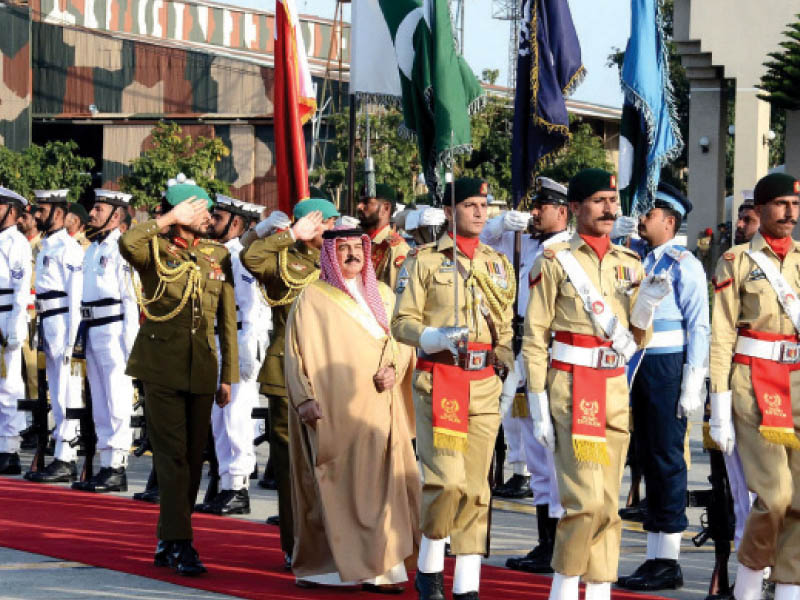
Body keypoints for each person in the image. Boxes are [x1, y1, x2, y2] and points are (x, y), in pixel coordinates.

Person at [522, 168, 669, 600]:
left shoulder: (630, 263)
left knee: (607, 505)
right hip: (570, 386)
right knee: (583, 502)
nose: (610, 208)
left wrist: (646, 308)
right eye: (599, 200)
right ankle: (565, 588)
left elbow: (639, 338)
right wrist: (536, 403)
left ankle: (599, 590)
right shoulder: (553, 261)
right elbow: (534, 337)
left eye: (613, 200)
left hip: (613, 390)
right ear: (574, 208)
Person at [392, 178, 514, 600]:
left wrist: (508, 366)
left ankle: (467, 584)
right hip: (441, 377)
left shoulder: (498, 263)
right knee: (446, 481)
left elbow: (505, 330)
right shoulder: (423, 261)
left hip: (483, 383)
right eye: (469, 204)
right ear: (448, 212)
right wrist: (434, 337)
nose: (480, 212)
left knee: (478, 488)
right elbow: (401, 323)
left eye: (484, 205)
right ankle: (429, 567)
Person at [285, 226, 420, 592]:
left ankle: (384, 569)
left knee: (386, 488)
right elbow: (294, 354)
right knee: (331, 488)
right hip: (331, 413)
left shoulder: (388, 297)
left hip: (379, 408)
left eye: (356, 248)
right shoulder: (311, 297)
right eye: (341, 249)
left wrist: (396, 366)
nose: (350, 256)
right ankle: (325, 568)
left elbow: (403, 341)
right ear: (330, 253)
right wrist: (303, 398)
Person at [119, 177, 239, 576]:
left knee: (192, 459)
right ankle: (182, 543)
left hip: (202, 370)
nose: (209, 217)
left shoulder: (215, 255)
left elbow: (226, 322)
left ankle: (169, 537)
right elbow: (127, 243)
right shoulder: (154, 249)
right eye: (201, 210)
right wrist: (167, 218)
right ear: (182, 212)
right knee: (171, 459)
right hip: (161, 368)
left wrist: (228, 375)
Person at [709, 173, 800, 600]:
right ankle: (747, 583)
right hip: (752, 382)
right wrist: (718, 406)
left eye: (795, 205)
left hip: (797, 382)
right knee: (775, 495)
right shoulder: (737, 261)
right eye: (781, 204)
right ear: (760, 209)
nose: (789, 213)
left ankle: (788, 589)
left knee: (799, 499)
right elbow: (722, 335)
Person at [616, 183, 710, 591]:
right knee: (647, 458)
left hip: (667, 365)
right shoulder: (637, 259)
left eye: (648, 214)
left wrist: (693, 380)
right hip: (638, 363)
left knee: (667, 459)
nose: (641, 219)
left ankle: (668, 560)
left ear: (669, 222)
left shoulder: (682, 263)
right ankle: (654, 556)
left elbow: (699, 324)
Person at [240, 198, 339, 567]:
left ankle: (333, 541)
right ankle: (295, 542)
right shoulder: (285, 258)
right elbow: (249, 260)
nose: (330, 231)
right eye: (324, 224)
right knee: (292, 467)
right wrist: (289, 235)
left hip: (332, 375)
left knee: (331, 463)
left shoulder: (340, 259)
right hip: (289, 375)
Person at [481, 177, 572, 571]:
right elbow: (477, 241)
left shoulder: (569, 252)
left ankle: (560, 545)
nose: (534, 213)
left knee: (553, 452)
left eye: (543, 207)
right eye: (533, 206)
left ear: (563, 212)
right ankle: (544, 543)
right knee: (534, 452)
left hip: (550, 350)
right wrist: (500, 225)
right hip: (519, 346)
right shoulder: (523, 243)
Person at [197, 195, 271, 515]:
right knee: (219, 417)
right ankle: (225, 481)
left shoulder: (241, 256)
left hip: (239, 339)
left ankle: (238, 486)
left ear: (236, 223)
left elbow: (252, 309)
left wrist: (246, 351)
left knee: (236, 415)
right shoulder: (218, 254)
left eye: (219, 217)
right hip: (217, 338)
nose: (212, 221)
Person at [72, 189, 139, 492]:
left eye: (99, 208)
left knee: (116, 399)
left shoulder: (121, 248)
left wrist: (131, 345)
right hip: (93, 326)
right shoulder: (92, 248)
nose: (92, 213)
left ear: (116, 216)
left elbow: (130, 300)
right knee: (99, 399)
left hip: (113, 330)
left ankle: (117, 466)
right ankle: (106, 462)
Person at [24, 190, 84, 483]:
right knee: (55, 390)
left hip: (63, 320)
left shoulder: (69, 248)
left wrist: (73, 340)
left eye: (42, 210)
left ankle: (66, 455)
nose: (37, 215)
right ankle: (60, 451)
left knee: (66, 388)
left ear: (58, 214)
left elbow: (75, 298)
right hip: (48, 319)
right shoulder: (48, 246)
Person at [0, 187, 33, 475]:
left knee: (9, 384)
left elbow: (22, 288)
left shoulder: (17, 242)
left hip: (6, 314)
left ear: (12, 211)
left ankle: (9, 447)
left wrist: (13, 325)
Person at [357, 183, 411, 289]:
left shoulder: (396, 248)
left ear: (385, 208)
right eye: (359, 202)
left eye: (366, 203)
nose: (359, 207)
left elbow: (396, 296)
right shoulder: (358, 242)